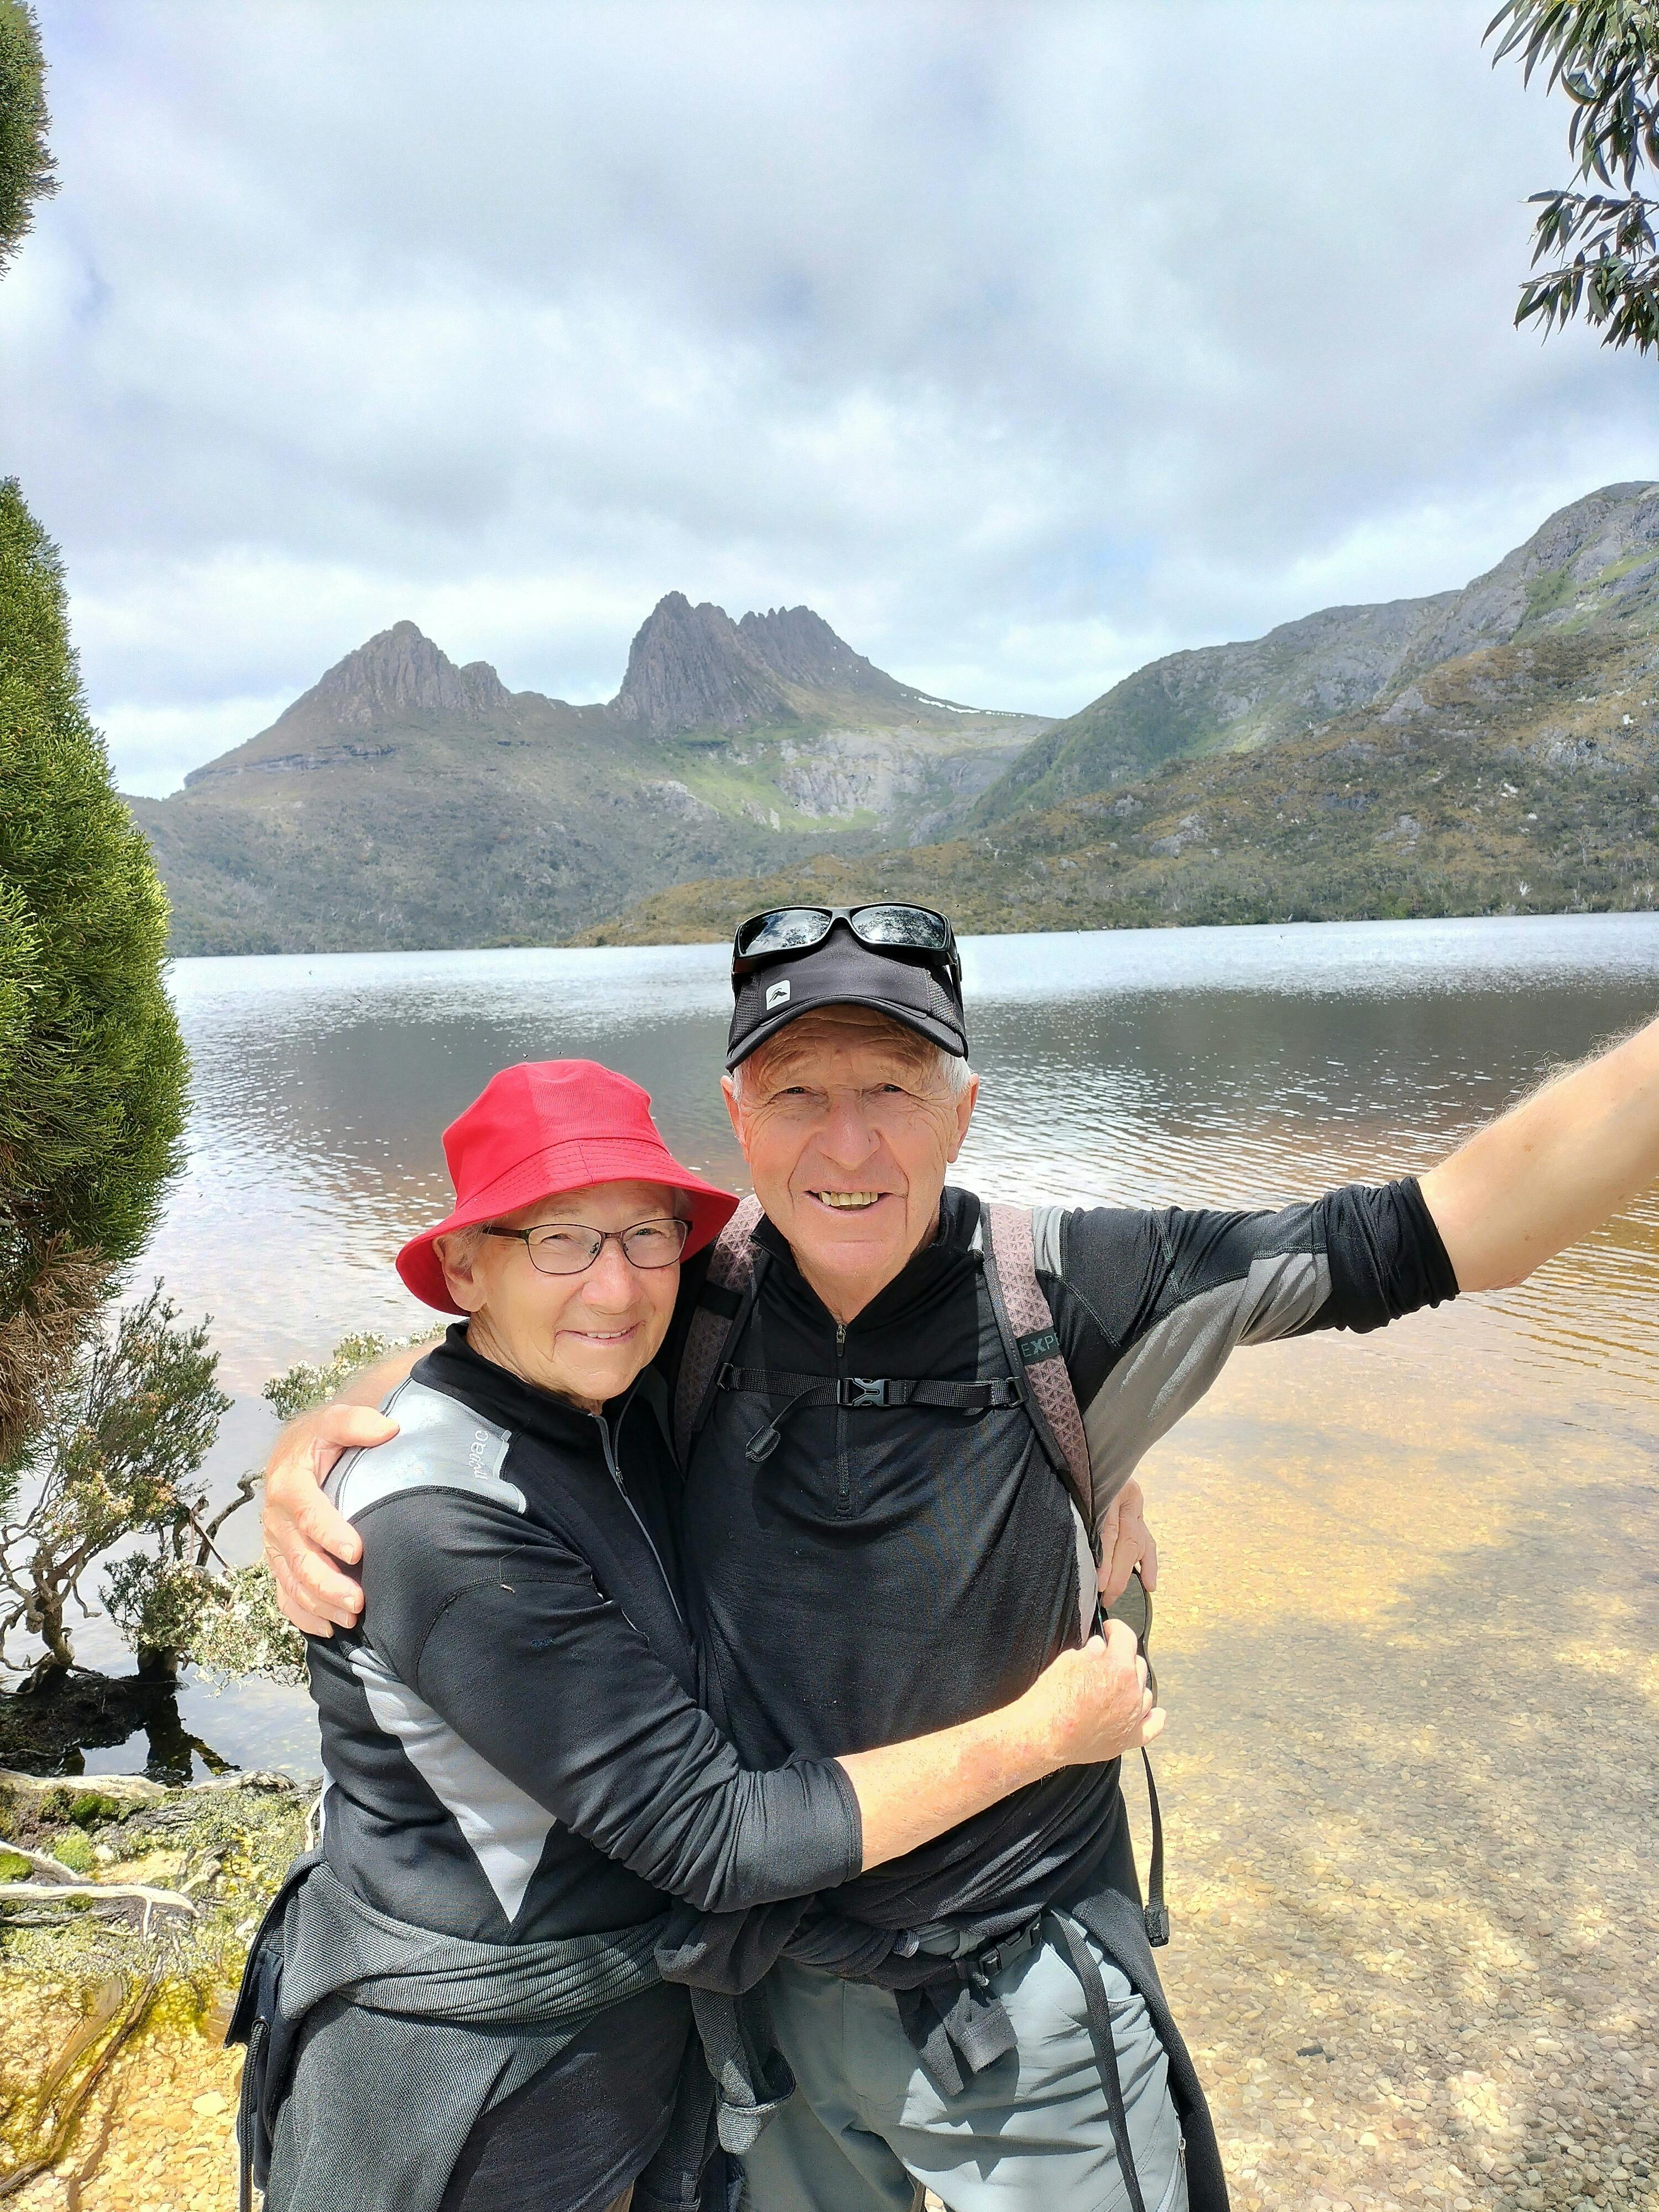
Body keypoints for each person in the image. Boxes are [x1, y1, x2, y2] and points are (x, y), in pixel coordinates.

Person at [263, 902, 1659, 2212]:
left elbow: (1454, 1224)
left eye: (894, 1085)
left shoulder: (1075, 1291)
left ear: (964, 1107)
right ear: (738, 1118)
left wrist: (1099, 1457)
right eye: (798, 1092)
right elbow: (509, 1350)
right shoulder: (692, 1301)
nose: (849, 1141)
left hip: (1021, 1998)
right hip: (766, 2012)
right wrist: (319, 1445)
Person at [241, 1056, 1161, 2212]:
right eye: (561, 1240)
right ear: (466, 1267)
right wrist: (1046, 1734)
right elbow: (718, 1835)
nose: (616, 1287)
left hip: (627, 2063)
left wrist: (1087, 1468)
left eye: (647, 1237)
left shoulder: (609, 1395)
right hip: (478, 2107)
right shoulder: (441, 1531)